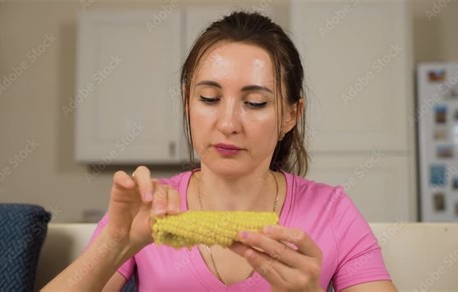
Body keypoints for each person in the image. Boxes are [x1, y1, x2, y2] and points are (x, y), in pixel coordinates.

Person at [43, 11, 396, 291]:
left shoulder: (332, 212)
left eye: (255, 103)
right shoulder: (149, 209)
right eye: (209, 98)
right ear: (187, 102)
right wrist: (115, 244)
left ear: (291, 115)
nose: (228, 123)